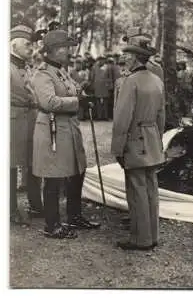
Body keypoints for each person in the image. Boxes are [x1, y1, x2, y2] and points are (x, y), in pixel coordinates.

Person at [31, 29, 100, 239]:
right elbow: (48, 102)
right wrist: (77, 102)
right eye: (64, 48)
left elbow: (73, 90)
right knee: (54, 176)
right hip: (53, 130)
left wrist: (84, 95)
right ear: (51, 51)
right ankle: (51, 225)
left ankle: (74, 216)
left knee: (77, 171)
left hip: (69, 128)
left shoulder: (61, 71)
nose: (68, 51)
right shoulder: (43, 74)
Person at [111, 30, 165, 251]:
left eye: (127, 55)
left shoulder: (130, 82)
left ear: (134, 58)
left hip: (134, 140)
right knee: (151, 187)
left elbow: (122, 119)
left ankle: (140, 239)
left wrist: (117, 148)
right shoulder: (156, 80)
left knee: (136, 190)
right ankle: (152, 235)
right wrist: (158, 140)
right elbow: (162, 115)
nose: (125, 58)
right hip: (151, 139)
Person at [10, 24, 43, 225]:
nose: (32, 49)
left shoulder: (28, 66)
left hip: (31, 119)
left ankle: (35, 205)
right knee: (10, 166)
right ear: (14, 45)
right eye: (27, 44)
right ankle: (10, 209)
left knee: (33, 162)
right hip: (11, 120)